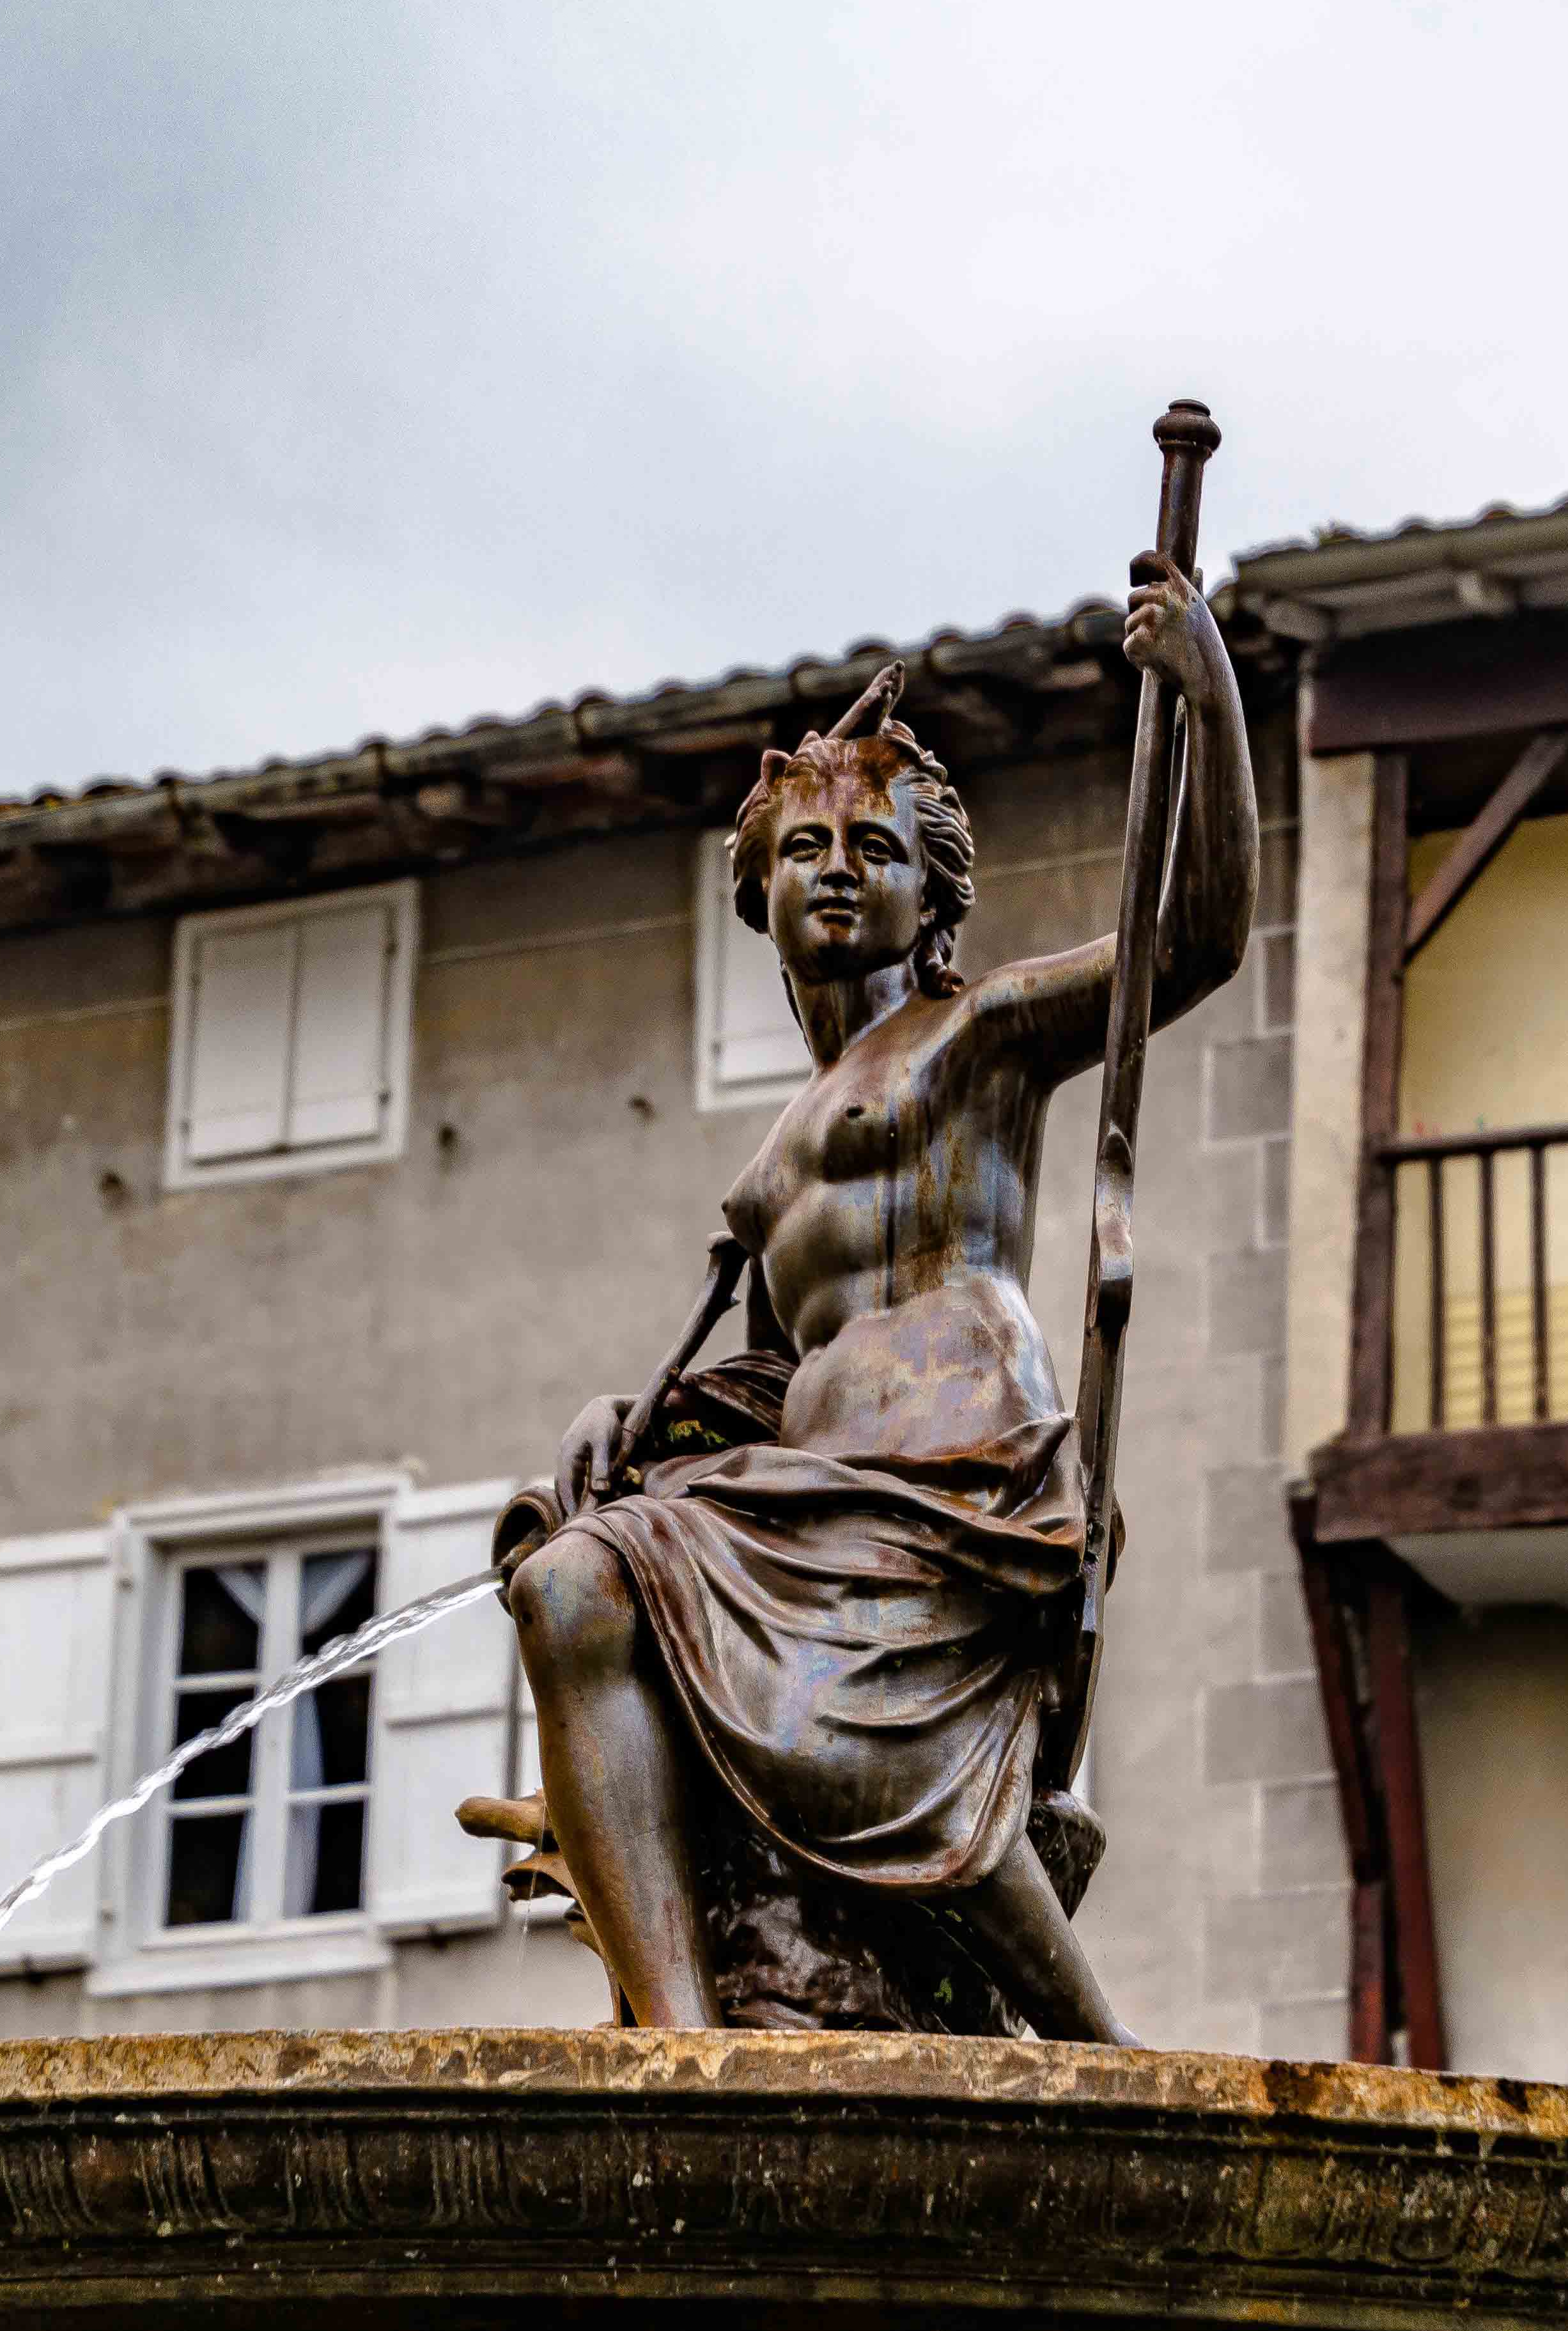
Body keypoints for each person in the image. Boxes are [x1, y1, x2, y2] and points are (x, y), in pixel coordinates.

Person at [504, 558, 1255, 2040]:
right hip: (812, 1485)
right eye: (806, 847)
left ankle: (1091, 2042)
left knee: (845, 1740)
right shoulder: (770, 1163)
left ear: (930, 894)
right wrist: (624, 1415)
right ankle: (683, 2042)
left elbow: (1198, 940)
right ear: (762, 894)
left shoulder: (975, 1033)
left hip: (958, 1468)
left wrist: (1208, 691)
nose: (838, 867)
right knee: (568, 1584)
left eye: (875, 845)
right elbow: (774, 1380)